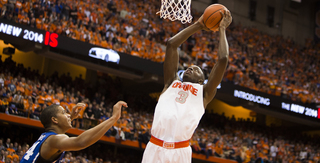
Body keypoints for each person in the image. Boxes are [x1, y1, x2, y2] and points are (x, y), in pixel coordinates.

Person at [141, 9, 232, 163]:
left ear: (201, 81)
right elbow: (171, 45)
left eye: (196, 69)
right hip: (154, 147)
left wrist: (222, 28)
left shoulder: (204, 93)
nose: (191, 67)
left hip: (179, 152)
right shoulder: (172, 82)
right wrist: (198, 25)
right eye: (189, 67)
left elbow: (223, 59)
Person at [20, 101, 127, 163]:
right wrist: (114, 118)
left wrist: (70, 118)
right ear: (55, 120)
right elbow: (81, 142)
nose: (67, 114)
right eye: (64, 112)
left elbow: (58, 128)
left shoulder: (46, 137)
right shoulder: (54, 140)